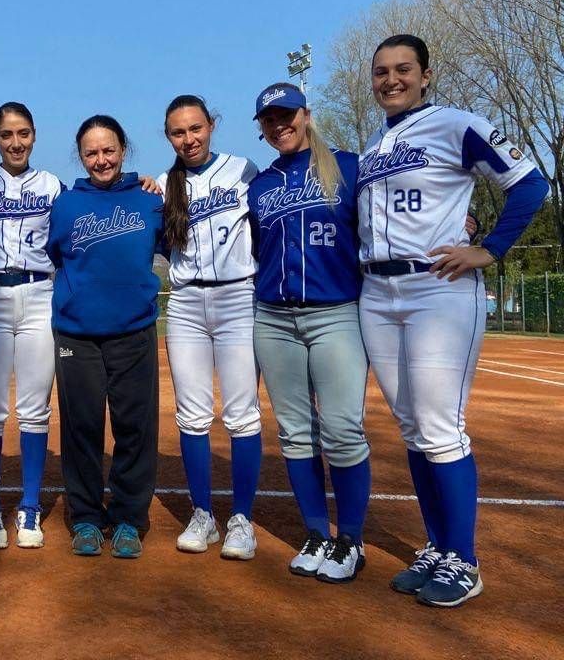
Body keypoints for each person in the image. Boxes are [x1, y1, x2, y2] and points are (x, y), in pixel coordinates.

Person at [358, 34, 548, 607]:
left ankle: (464, 560)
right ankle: (438, 548)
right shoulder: (373, 143)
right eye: (382, 72)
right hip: (377, 291)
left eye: (403, 69)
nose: (392, 80)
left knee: (441, 426)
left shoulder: (456, 124)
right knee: (413, 427)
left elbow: (529, 183)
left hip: (436, 288)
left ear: (426, 73)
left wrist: (489, 249)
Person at [247, 83, 371, 583]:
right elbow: (257, 247)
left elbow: (382, 224)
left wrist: (462, 221)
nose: (280, 125)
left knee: (342, 430)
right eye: (269, 120)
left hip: (335, 312)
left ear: (306, 114)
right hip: (274, 318)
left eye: (286, 115)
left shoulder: (348, 166)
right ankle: (318, 533)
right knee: (296, 433)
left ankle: (351, 541)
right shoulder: (261, 184)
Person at [46, 115, 164, 559]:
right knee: (82, 428)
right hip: (77, 334)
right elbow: (58, 253)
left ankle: (130, 518)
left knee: (135, 428)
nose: (101, 159)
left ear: (123, 149)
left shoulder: (149, 200)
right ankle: (87, 518)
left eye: (109, 150)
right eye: (91, 152)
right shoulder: (67, 204)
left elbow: (168, 246)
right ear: (81, 156)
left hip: (133, 330)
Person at [157, 95, 262, 559]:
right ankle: (203, 514)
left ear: (212, 126)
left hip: (239, 295)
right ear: (168, 137)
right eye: (178, 132)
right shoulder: (162, 184)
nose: (189, 139)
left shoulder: (244, 171)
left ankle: (241, 518)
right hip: (184, 303)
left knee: (242, 414)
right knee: (192, 413)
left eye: (195, 128)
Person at [0, 103, 62, 549]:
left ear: (35, 135)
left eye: (23, 133)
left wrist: (139, 181)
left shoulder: (53, 186)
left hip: (40, 297)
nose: (15, 143)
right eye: (6, 135)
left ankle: (29, 505)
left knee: (35, 407)